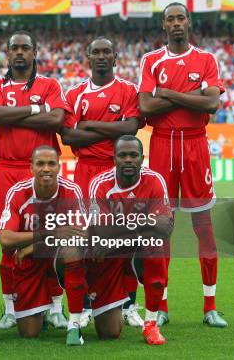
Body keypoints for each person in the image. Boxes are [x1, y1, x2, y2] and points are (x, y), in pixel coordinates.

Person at [138, 2, 227, 328]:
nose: (176, 23)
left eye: (181, 18)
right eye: (170, 19)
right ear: (164, 25)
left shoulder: (206, 59)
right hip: (162, 144)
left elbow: (213, 103)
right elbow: (146, 105)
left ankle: (210, 306)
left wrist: (170, 93)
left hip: (194, 145)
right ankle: (160, 306)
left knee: (203, 226)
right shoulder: (151, 60)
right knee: (161, 230)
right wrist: (190, 95)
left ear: (188, 22)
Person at [0, 30, 70, 329]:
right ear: (7, 53)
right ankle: (10, 307)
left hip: (43, 171)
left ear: (35, 52)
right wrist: (35, 109)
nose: (20, 52)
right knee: (7, 242)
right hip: (7, 169)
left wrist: (12, 115)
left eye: (25, 47)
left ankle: (56, 307)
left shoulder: (50, 84)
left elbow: (56, 120)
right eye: (14, 48)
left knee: (53, 237)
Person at [60, 37, 142, 328]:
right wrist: (111, 131)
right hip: (84, 173)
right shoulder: (75, 93)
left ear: (116, 57)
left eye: (107, 51)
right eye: (96, 52)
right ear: (88, 57)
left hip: (119, 173)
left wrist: (89, 126)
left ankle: (130, 303)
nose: (102, 56)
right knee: (83, 238)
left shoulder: (128, 89)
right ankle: (81, 305)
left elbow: (130, 128)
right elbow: (68, 137)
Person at [88, 135, 173, 345]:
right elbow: (101, 231)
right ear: (114, 158)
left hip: (126, 247)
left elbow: (164, 228)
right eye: (122, 155)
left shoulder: (154, 180)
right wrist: (145, 222)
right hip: (111, 255)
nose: (128, 160)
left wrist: (119, 235)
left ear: (142, 158)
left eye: (133, 155)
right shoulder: (99, 184)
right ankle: (88, 307)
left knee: (155, 246)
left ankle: (151, 325)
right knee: (108, 334)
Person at [0, 146, 88, 345]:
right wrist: (52, 232)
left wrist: (35, 246)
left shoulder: (71, 191)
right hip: (29, 264)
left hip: (54, 257)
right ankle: (41, 310)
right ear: (31, 168)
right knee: (29, 333)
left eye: (51, 164)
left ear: (59, 167)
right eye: (40, 164)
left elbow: (81, 235)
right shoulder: (18, 192)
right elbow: (5, 239)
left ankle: (72, 322)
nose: (46, 169)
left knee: (72, 250)